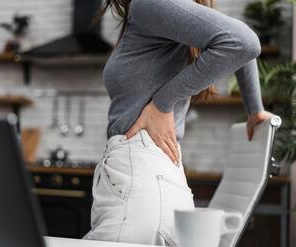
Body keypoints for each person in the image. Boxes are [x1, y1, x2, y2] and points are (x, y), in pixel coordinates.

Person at [82, 0, 274, 245]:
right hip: (153, 182)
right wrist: (254, 109)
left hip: (140, 183)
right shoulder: (159, 10)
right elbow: (241, 39)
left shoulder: (148, 4)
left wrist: (163, 103)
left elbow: (244, 42)